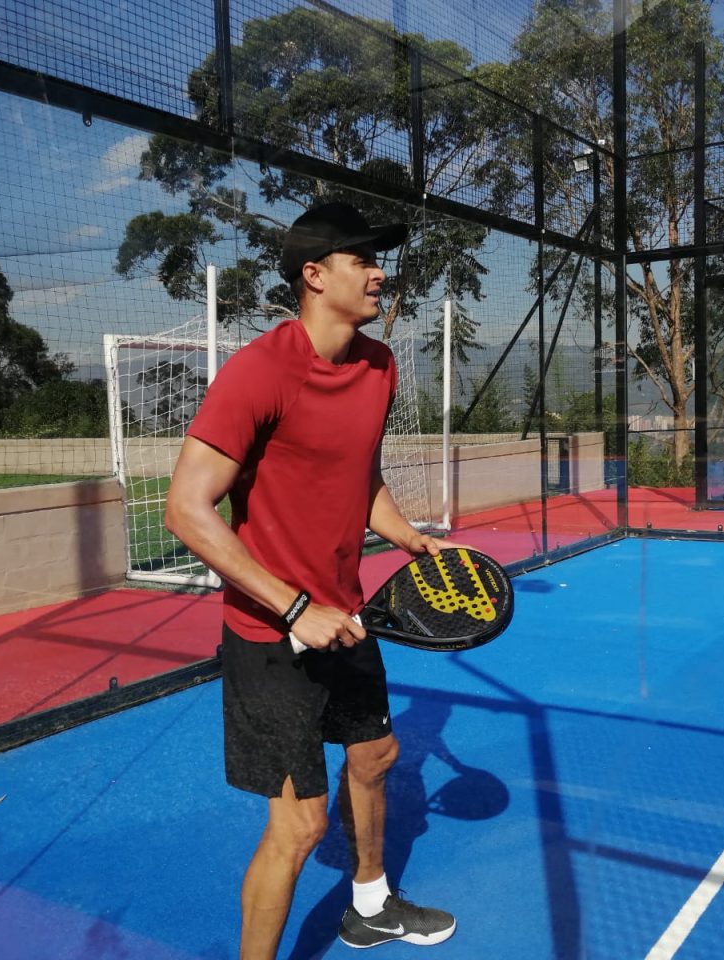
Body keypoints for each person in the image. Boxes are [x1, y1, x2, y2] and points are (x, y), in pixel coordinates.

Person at [164, 202, 457, 958]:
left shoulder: (379, 365)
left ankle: (369, 905)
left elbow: (362, 477)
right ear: (314, 274)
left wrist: (406, 537)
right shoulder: (257, 373)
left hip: (345, 616)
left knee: (376, 756)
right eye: (362, 258)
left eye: (378, 258)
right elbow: (187, 510)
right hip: (270, 633)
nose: (379, 271)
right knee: (298, 826)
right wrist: (294, 606)